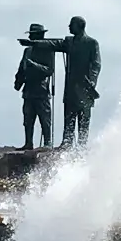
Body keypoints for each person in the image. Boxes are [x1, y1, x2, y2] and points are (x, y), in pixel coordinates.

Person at [18, 15, 101, 149]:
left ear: (79, 26)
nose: (69, 27)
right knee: (69, 118)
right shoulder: (69, 42)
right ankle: (66, 144)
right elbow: (53, 44)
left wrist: (92, 81)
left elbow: (96, 65)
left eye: (71, 24)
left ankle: (82, 148)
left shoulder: (92, 43)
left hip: (85, 88)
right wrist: (33, 43)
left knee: (84, 121)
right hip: (70, 88)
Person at [13, 23, 56, 150]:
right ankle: (28, 143)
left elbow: (49, 70)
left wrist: (34, 65)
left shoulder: (48, 51)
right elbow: (22, 68)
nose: (30, 38)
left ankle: (47, 143)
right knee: (28, 119)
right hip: (28, 89)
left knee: (45, 118)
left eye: (33, 35)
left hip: (41, 89)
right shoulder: (27, 51)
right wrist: (18, 81)